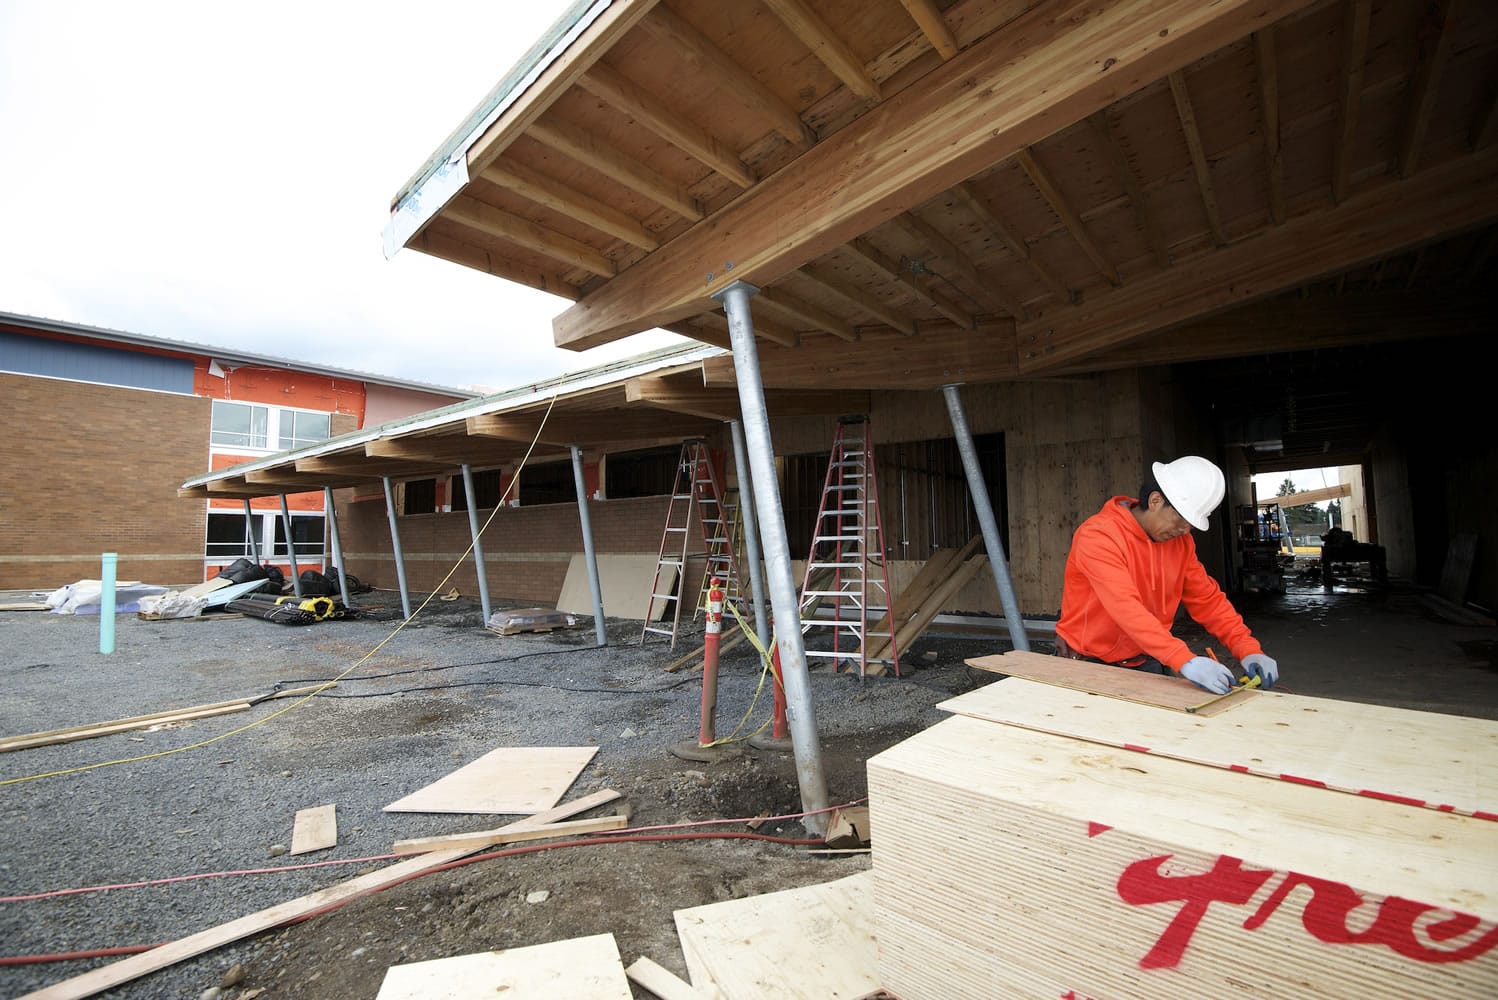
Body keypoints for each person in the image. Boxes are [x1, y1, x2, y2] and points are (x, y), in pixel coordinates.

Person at [1054, 456, 1279, 695]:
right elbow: (1125, 608)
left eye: (1191, 523)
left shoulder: (1181, 543)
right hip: (1088, 662)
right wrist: (1183, 659)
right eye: (1181, 517)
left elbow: (1208, 600)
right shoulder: (1099, 536)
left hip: (1146, 658)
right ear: (1155, 500)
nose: (1185, 529)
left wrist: (1247, 647)